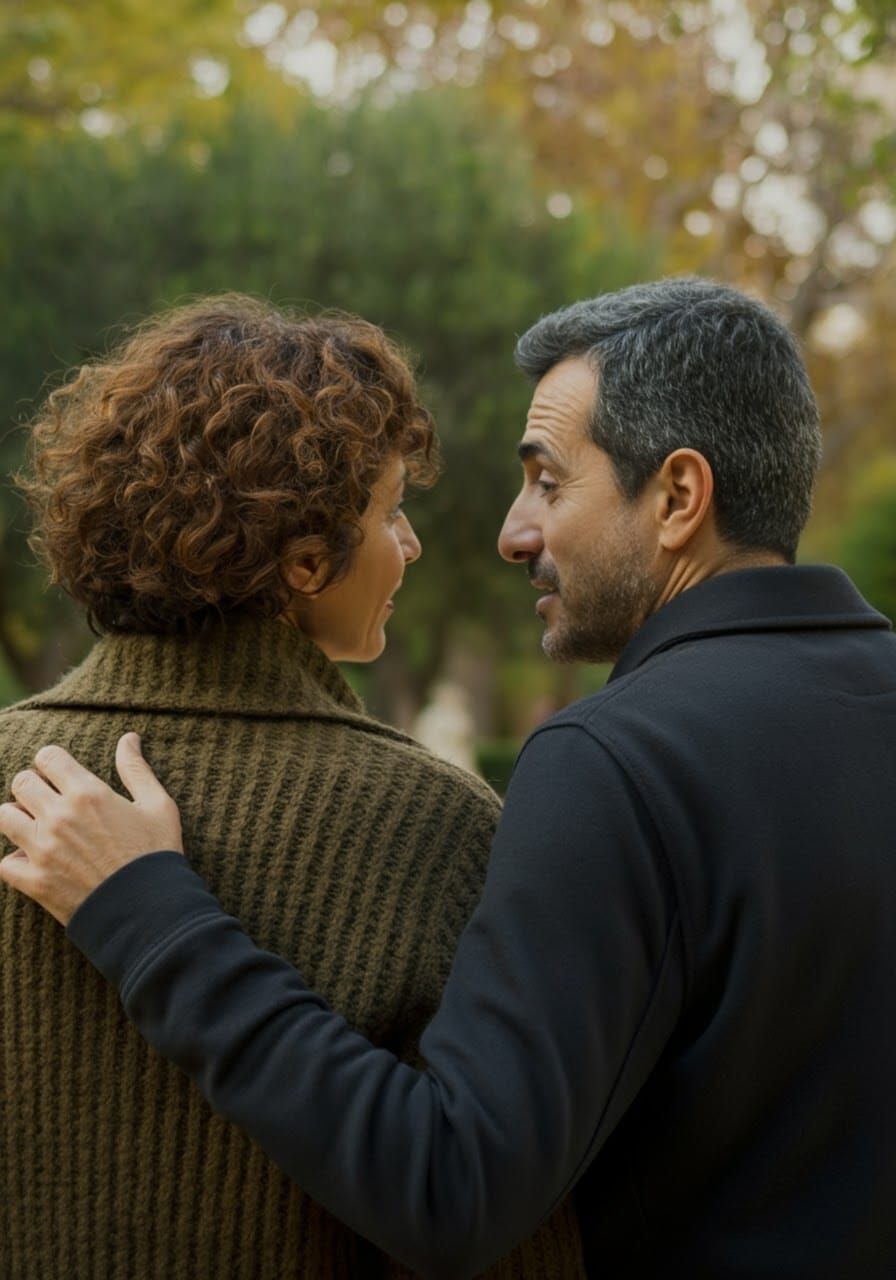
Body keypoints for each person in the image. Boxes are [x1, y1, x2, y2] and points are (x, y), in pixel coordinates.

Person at [4, 276, 896, 1279]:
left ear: (679, 496)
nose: (513, 532)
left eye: (548, 483)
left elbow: (451, 1184)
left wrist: (155, 920)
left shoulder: (610, 762)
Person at [0, 295, 583, 1278]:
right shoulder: (433, 827)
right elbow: (504, 1231)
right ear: (306, 561)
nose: (411, 545)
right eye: (391, 507)